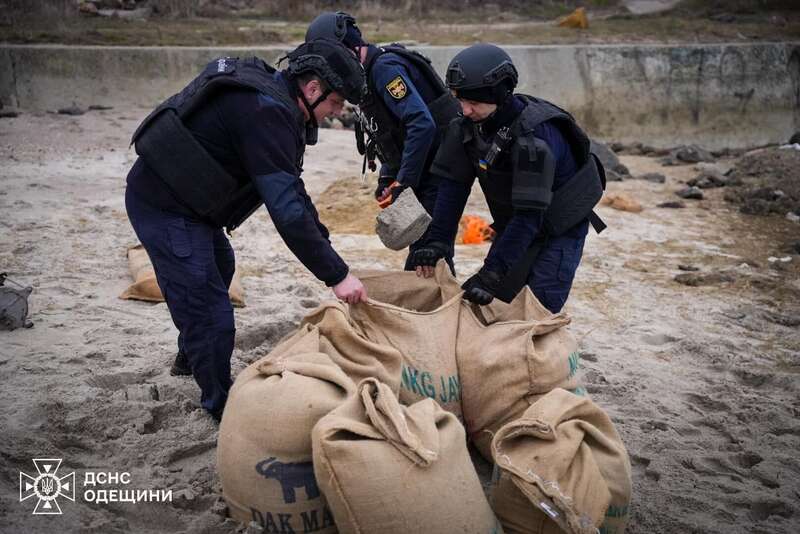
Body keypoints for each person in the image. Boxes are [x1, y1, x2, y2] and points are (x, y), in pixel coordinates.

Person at [125, 39, 368, 421]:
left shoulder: (276, 100)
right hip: (164, 206)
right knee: (212, 316)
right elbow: (286, 211)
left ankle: (189, 360)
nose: (336, 114)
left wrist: (326, 246)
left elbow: (293, 189)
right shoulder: (266, 113)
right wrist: (336, 275)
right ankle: (221, 407)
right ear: (313, 88)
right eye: (336, 103)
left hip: (191, 202)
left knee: (219, 269)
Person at [409, 43, 606, 312]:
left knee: (538, 306)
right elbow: (452, 188)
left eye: (474, 102)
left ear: (499, 95)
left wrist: (491, 274)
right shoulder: (466, 127)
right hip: (516, 221)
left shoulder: (534, 138)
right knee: (496, 304)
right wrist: (438, 242)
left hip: (560, 226)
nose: (465, 110)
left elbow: (529, 216)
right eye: (460, 100)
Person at [306, 12, 462, 271]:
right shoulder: (365, 76)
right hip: (427, 166)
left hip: (442, 167)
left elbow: (421, 125)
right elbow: (390, 133)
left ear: (346, 50)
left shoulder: (385, 69)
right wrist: (388, 177)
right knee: (425, 255)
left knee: (429, 255)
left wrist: (404, 181)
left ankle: (439, 309)